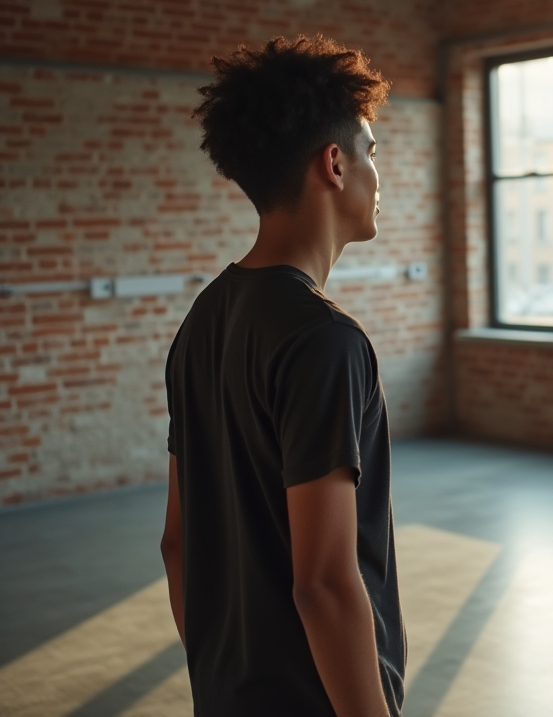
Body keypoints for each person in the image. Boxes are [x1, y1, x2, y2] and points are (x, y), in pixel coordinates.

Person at [160, 35, 405, 717]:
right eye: (372, 155)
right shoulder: (325, 341)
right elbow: (325, 582)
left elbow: (177, 544)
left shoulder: (203, 320)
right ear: (334, 163)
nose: (378, 177)